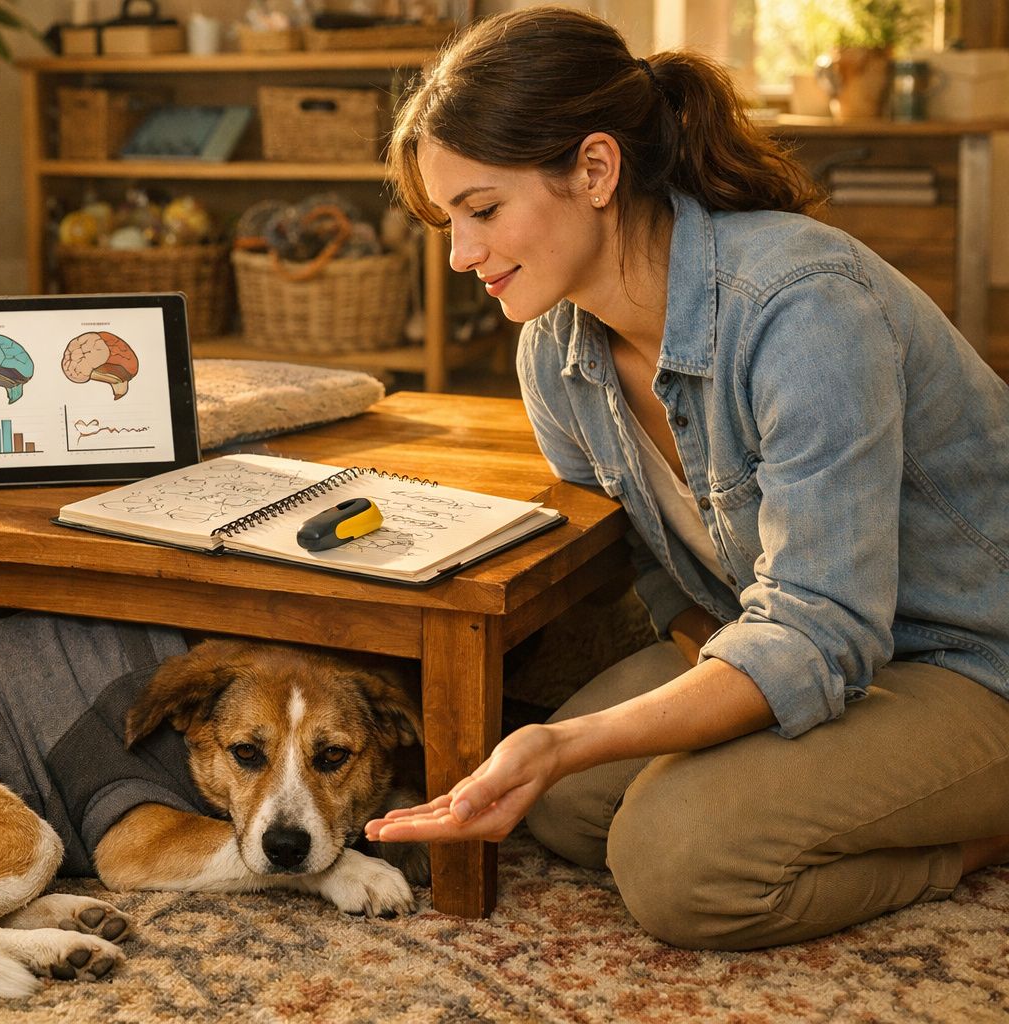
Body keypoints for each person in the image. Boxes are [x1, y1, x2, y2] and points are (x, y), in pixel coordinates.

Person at [364, 5, 1009, 951]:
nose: (460, 254)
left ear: (595, 170)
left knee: (679, 861)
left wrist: (573, 736)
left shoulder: (802, 309)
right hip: (804, 637)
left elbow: (824, 627)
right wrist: (713, 680)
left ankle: (976, 839)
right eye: (448, 219)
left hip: (969, 658)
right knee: (566, 807)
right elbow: (656, 562)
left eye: (483, 210)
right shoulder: (554, 348)